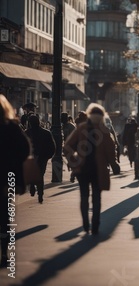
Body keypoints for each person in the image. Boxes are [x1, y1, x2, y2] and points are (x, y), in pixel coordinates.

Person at [63, 103, 116, 235]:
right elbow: (111, 151)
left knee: (84, 196)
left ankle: (86, 224)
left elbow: (67, 146)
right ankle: (96, 224)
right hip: (98, 170)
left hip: (82, 169)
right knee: (96, 198)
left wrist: (74, 161)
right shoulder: (104, 130)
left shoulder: (81, 128)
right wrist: (113, 164)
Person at [0, 95, 31, 267]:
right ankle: (5, 252)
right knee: (6, 215)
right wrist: (14, 163)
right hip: (8, 176)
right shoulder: (12, 127)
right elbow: (25, 149)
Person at [25, 115, 56, 203]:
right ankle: (40, 194)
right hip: (42, 157)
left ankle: (32, 186)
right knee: (40, 175)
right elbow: (52, 147)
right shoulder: (46, 133)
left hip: (30, 158)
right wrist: (47, 156)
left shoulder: (26, 133)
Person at [61, 112, 76, 182]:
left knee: (72, 161)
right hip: (65, 147)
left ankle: (73, 175)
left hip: (71, 147)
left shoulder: (71, 126)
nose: (62, 119)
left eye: (63, 118)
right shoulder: (61, 126)